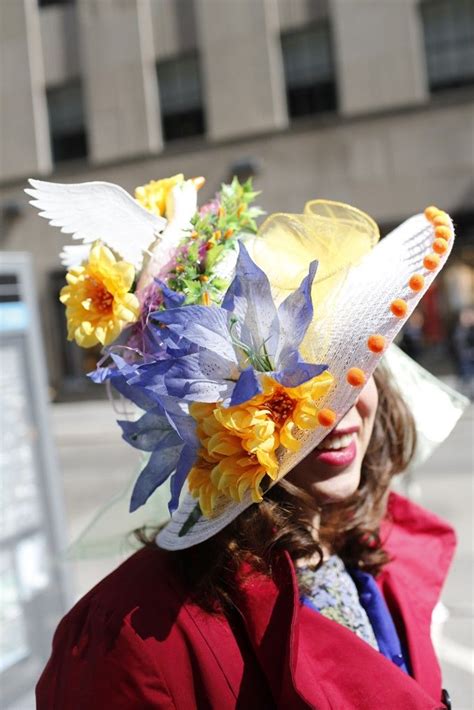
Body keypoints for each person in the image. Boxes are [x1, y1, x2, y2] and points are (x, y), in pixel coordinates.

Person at [28, 175, 457, 708]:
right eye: (288, 380)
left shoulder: (375, 548)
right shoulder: (132, 639)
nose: (334, 411)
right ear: (214, 416)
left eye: (349, 369)